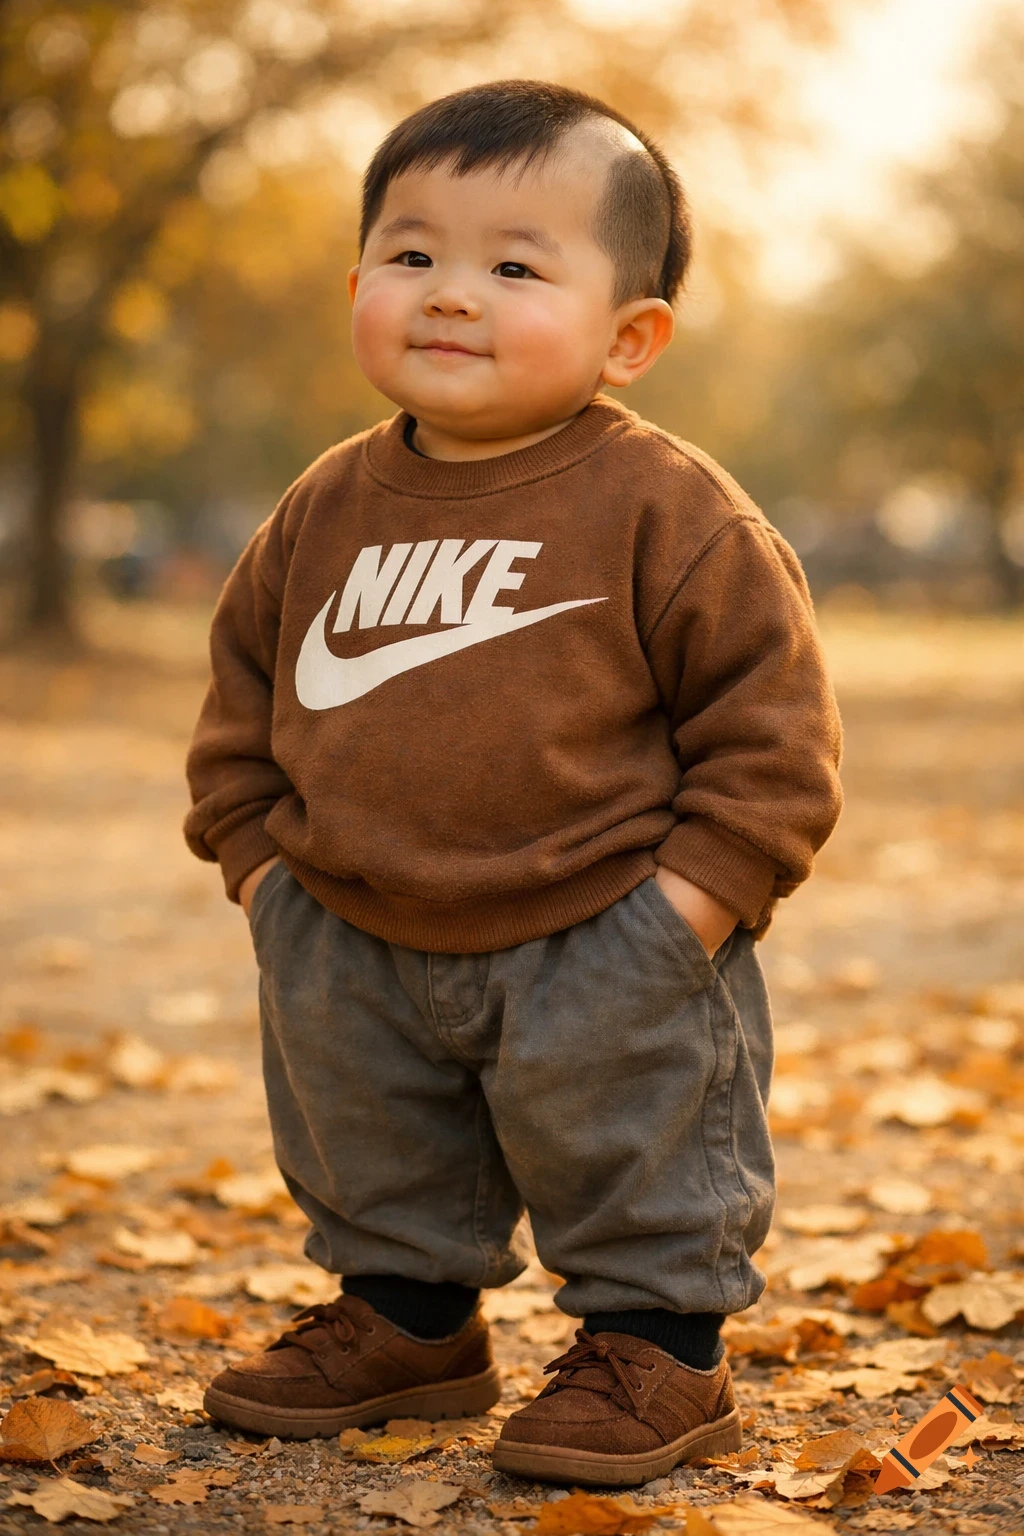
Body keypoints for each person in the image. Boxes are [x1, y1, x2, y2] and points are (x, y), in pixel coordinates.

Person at [183, 79, 843, 1487]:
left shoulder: (666, 507)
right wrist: (265, 875)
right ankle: (406, 1322)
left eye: (515, 268)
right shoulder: (325, 506)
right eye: (413, 253)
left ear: (630, 336)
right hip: (348, 926)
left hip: (604, 925)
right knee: (371, 1143)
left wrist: (683, 914)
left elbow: (774, 733)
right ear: (358, 286)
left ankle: (658, 1350)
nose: (450, 292)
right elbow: (243, 694)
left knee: (635, 1146)